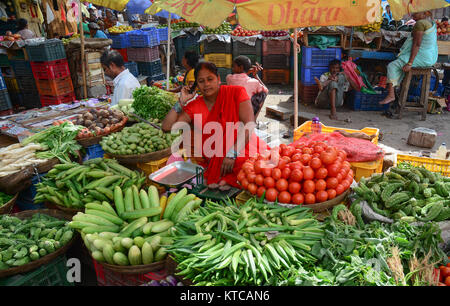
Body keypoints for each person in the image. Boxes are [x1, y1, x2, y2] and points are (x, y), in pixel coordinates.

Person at [161, 62, 269, 187]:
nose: (206, 84)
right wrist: (181, 101)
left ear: (218, 79)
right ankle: (228, 178)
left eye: (210, 79)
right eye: (201, 81)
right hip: (215, 158)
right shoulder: (194, 106)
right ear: (196, 85)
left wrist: (232, 154)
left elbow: (249, 124)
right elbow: (166, 127)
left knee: (250, 168)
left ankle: (230, 178)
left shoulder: (236, 92)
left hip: (241, 148)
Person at [380, 11, 438, 105]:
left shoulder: (420, 23)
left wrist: (410, 63)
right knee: (399, 64)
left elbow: (417, 44)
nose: (412, 16)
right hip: (430, 57)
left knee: (392, 66)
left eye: (416, 13)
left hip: (422, 57)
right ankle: (396, 91)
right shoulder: (431, 23)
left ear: (424, 14)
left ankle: (391, 95)